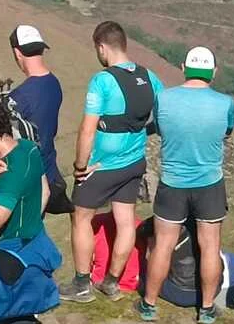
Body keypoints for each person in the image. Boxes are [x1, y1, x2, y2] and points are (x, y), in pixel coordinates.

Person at [59, 21, 163, 304]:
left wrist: (80, 166)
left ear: (102, 47)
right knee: (125, 220)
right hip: (134, 162)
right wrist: (141, 132)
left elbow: (87, 129)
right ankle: (111, 282)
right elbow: (162, 115)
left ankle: (82, 285)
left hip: (102, 166)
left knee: (80, 217)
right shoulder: (149, 77)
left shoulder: (102, 81)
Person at [136, 46, 234, 324]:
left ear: (183, 68)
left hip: (173, 182)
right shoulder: (225, 102)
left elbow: (158, 128)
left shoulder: (164, 98)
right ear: (214, 72)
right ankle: (206, 309)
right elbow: (227, 132)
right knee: (210, 245)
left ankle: (149, 304)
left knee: (163, 244)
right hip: (209, 183)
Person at [0, 95, 60, 324]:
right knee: (20, 321)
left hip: (6, 256)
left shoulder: (7, 174)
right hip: (31, 247)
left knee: (10, 319)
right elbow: (44, 192)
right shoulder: (28, 150)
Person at [7, 24, 74, 216]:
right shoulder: (53, 83)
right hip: (48, 171)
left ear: (17, 52)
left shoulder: (19, 98)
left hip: (27, 179)